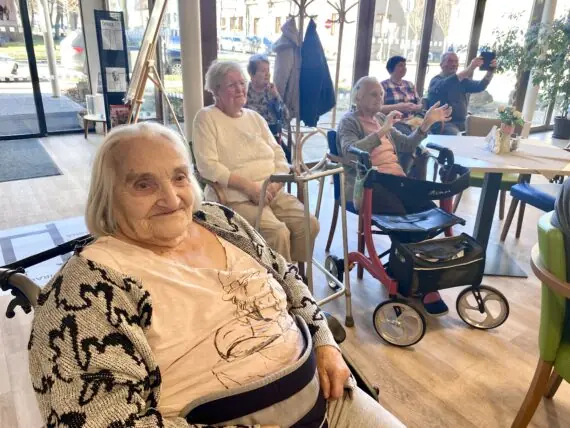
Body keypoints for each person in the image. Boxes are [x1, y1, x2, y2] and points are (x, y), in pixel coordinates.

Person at [28, 122, 405, 427]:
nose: (171, 199)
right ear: (108, 196)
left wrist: (323, 340)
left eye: (179, 177)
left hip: (330, 398)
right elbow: (93, 420)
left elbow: (288, 277)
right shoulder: (85, 288)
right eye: (144, 184)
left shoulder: (219, 219)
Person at [337, 76, 453, 317]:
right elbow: (349, 153)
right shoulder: (349, 121)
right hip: (368, 185)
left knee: (428, 213)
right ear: (357, 96)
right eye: (373, 94)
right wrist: (382, 132)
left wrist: (426, 124)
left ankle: (407, 271)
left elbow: (408, 145)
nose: (379, 98)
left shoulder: (381, 118)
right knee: (403, 221)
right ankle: (420, 284)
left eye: (381, 94)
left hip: (397, 181)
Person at [193, 61, 318, 265]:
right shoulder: (206, 118)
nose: (240, 89)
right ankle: (278, 281)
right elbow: (208, 166)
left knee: (309, 223)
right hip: (236, 198)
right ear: (216, 91)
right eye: (232, 85)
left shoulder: (255, 117)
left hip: (272, 190)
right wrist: (249, 188)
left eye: (242, 83)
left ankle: (292, 273)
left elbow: (278, 154)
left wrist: (274, 186)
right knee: (278, 233)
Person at [427, 52, 497, 135]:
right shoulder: (436, 81)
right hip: (444, 124)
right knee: (456, 136)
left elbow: (480, 86)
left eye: (456, 61)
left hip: (463, 122)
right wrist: (471, 67)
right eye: (450, 61)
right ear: (441, 65)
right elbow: (449, 83)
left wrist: (490, 72)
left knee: (484, 132)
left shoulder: (462, 82)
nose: (454, 64)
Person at [245, 54, 288, 137]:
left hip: (271, 135)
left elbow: (285, 119)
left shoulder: (271, 91)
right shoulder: (244, 91)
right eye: (263, 71)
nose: (267, 74)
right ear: (251, 74)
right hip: (251, 135)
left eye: (268, 70)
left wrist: (276, 96)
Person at [380, 56, 423, 135]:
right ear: (391, 68)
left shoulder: (410, 84)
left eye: (405, 65)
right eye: (400, 65)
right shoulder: (383, 85)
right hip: (394, 122)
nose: (404, 68)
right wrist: (398, 107)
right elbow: (379, 109)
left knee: (428, 133)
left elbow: (420, 104)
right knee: (410, 135)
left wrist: (416, 107)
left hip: (413, 120)